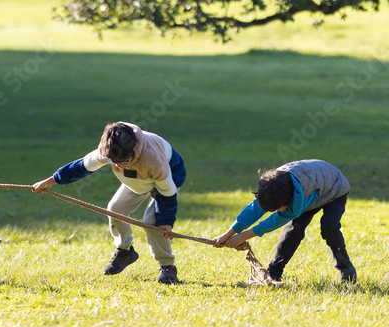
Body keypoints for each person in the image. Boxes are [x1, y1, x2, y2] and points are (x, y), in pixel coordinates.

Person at [32, 121, 185, 284]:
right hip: (136, 180)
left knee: (153, 222)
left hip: (168, 178)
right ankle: (125, 251)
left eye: (123, 161)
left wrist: (166, 221)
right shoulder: (109, 149)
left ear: (133, 149)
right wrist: (51, 180)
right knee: (115, 209)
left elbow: (167, 193)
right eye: (114, 162)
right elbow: (80, 167)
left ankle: (167, 267)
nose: (118, 164)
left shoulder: (153, 159)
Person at [213, 160, 357, 283]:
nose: (275, 211)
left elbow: (274, 222)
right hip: (316, 186)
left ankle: (346, 269)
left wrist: (242, 236)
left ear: (289, 201)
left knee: (329, 227)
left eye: (277, 208)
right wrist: (227, 234)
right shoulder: (273, 185)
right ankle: (274, 273)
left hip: (335, 188)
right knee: (294, 231)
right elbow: (253, 211)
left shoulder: (298, 196)